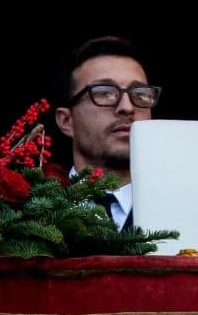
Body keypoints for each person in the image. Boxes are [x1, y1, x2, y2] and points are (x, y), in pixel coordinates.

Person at [54, 36, 160, 231]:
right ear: (66, 121)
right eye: (104, 92)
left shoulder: (189, 207)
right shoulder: (25, 213)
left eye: (140, 94)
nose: (127, 107)